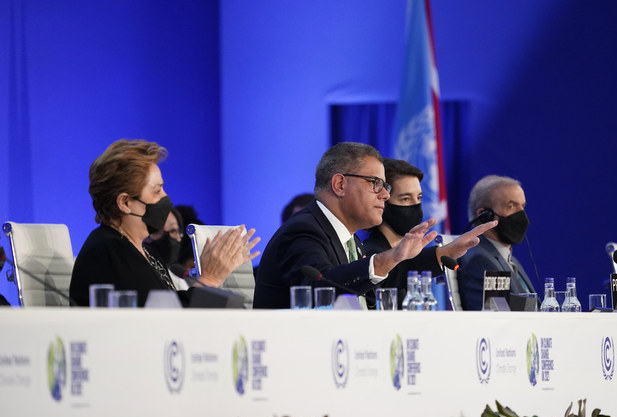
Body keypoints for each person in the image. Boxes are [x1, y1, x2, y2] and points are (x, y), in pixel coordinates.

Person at [253, 142, 493, 309]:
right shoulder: (304, 230)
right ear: (339, 184)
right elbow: (322, 286)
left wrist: (442, 254)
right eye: (375, 183)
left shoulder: (348, 238)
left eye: (385, 187)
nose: (385, 196)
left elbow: (379, 279)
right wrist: (384, 260)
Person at [69, 139, 260, 307]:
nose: (166, 197)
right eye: (157, 191)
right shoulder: (108, 251)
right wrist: (210, 278)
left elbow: (170, 307)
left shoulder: (145, 251)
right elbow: (163, 322)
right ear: (126, 203)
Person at [363, 158, 495, 305]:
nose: (416, 206)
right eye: (405, 199)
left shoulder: (415, 254)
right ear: (383, 202)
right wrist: (442, 253)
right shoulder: (370, 255)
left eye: (419, 198)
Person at [458, 175, 536, 310]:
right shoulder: (481, 259)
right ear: (484, 216)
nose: (522, 215)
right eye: (511, 206)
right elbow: (498, 313)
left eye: (522, 206)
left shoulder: (510, 260)